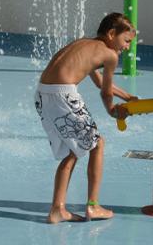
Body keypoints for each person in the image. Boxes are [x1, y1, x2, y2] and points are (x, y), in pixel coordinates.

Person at [34, 12, 137, 223]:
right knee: (97, 143)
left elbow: (99, 83)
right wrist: (112, 111)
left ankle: (57, 209)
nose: (127, 47)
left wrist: (127, 96)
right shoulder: (110, 56)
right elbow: (105, 93)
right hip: (63, 94)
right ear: (111, 34)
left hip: (42, 94)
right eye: (126, 41)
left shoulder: (84, 43)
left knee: (73, 150)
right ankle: (93, 206)